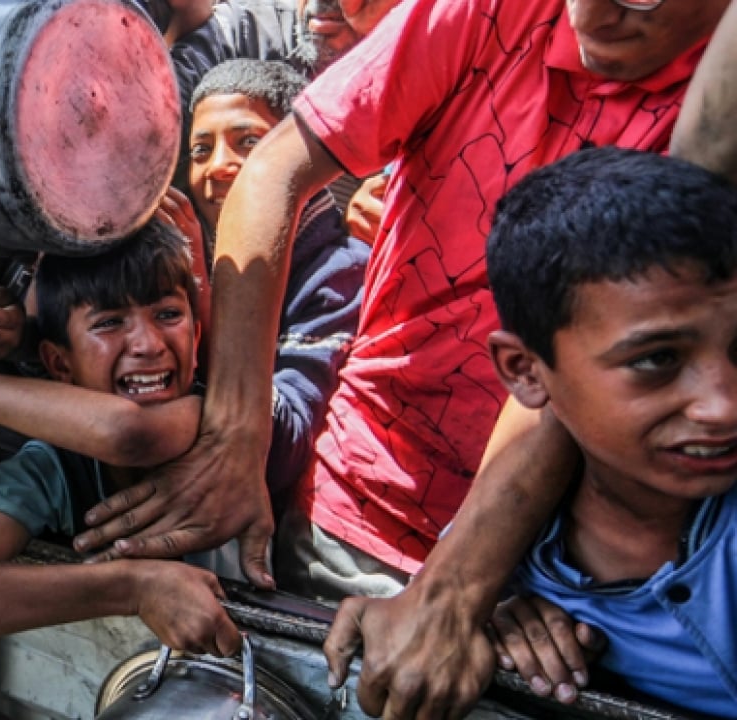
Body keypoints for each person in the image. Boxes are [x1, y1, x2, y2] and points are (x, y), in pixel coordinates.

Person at [73, 0, 729, 715]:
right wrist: (238, 432)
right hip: (362, 501)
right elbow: (276, 167)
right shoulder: (488, 12)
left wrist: (463, 583)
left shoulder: (714, 120)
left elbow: (578, 370)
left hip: (554, 573)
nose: (596, 12)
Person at [0, 220, 240, 655]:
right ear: (58, 364)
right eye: (109, 323)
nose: (148, 344)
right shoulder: (51, 469)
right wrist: (132, 588)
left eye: (168, 314)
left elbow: (128, 433)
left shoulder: (217, 416)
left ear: (197, 332)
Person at [484, 147, 737, 716]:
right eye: (657, 359)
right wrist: (497, 623)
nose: (723, 406)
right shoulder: (497, 560)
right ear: (525, 371)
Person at [185, 58, 368, 508]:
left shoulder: (342, 273)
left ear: (301, 158)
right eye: (201, 150)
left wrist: (201, 293)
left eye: (248, 142)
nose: (218, 167)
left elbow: (281, 449)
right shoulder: (191, 254)